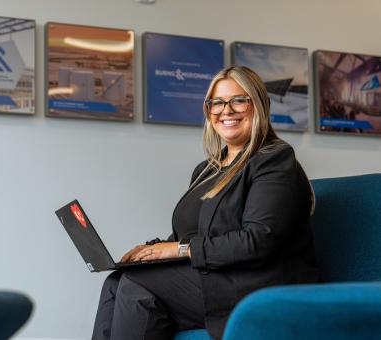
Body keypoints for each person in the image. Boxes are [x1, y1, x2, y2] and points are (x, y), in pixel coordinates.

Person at [91, 66, 319, 340]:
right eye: (218, 102)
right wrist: (150, 253)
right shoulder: (206, 170)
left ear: (259, 104)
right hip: (214, 274)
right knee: (116, 282)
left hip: (255, 284)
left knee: (138, 286)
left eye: (238, 100)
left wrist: (178, 249)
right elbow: (189, 236)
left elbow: (258, 241)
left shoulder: (273, 159)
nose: (227, 110)